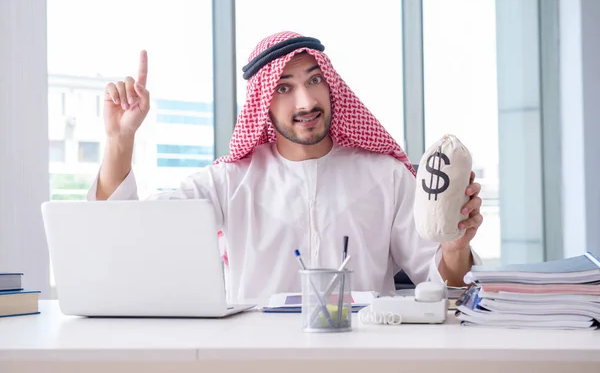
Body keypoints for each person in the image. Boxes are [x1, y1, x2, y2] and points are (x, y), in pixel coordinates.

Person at [89, 31, 484, 304]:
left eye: (314, 80)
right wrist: (120, 141)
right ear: (262, 101)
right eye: (284, 87)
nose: (306, 101)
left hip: (362, 358)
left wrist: (455, 249)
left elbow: (447, 290)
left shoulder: (387, 177)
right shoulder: (229, 182)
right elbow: (128, 232)